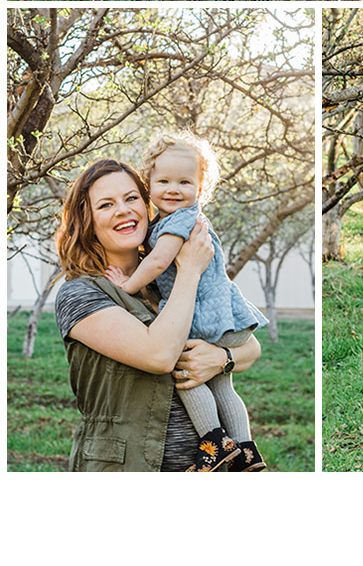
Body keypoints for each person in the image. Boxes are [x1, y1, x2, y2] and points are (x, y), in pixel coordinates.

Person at [53, 157, 262, 473]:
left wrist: (219, 359)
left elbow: (251, 348)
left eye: (131, 198)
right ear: (87, 219)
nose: (123, 210)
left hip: (211, 467)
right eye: (106, 205)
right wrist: (190, 269)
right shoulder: (80, 293)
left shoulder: (162, 278)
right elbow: (160, 355)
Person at [110, 132, 268, 471]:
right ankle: (245, 450)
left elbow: (157, 263)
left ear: (201, 187)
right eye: (163, 180)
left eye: (184, 181)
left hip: (201, 315)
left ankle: (214, 442)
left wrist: (127, 283)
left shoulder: (181, 220)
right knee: (222, 384)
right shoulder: (175, 220)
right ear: (148, 183)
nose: (172, 189)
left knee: (185, 373)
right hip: (223, 312)